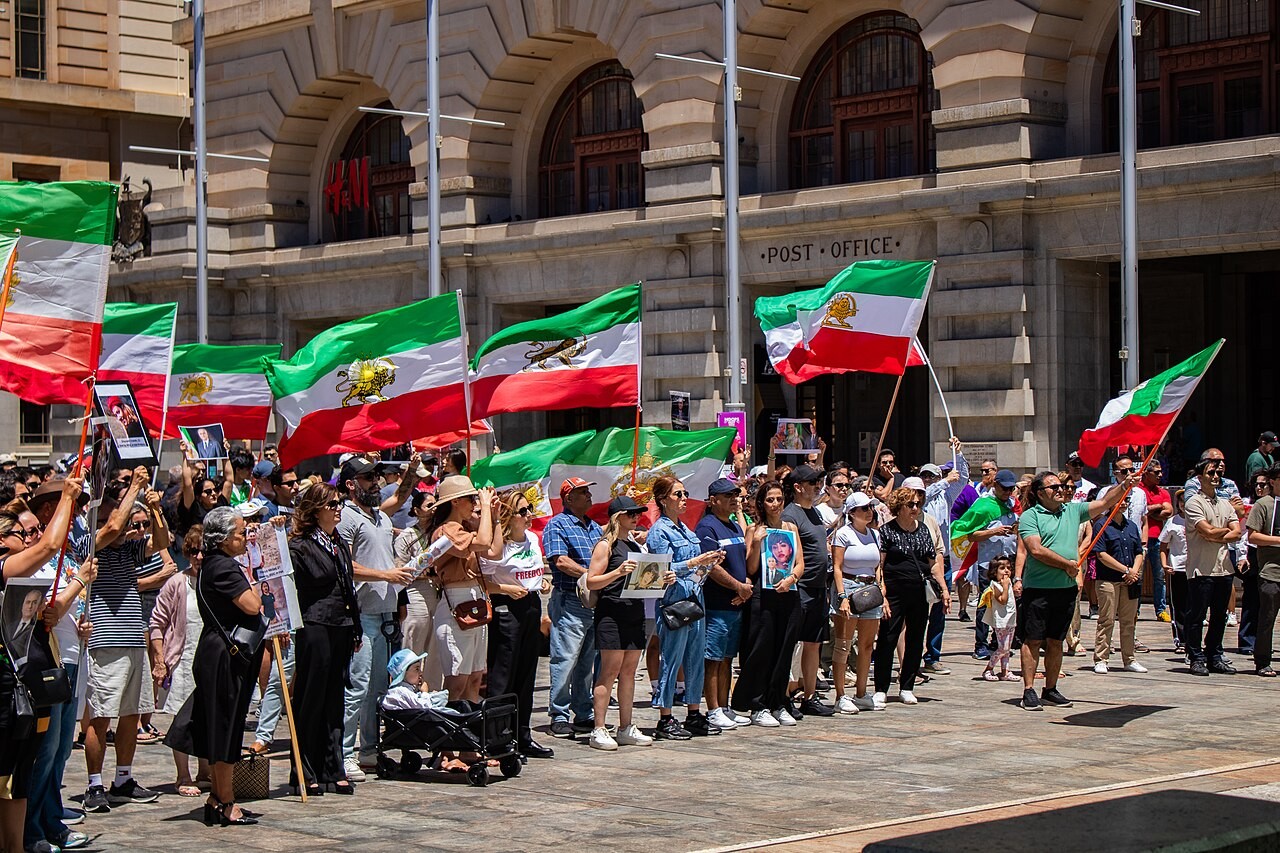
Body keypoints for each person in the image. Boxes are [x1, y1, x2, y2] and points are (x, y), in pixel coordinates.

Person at [164, 507, 265, 827]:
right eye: (240, 533)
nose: (245, 538)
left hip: (219, 653)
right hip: (224, 656)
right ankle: (226, 801)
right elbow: (252, 606)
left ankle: (218, 798)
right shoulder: (223, 566)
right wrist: (257, 586)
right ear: (223, 539)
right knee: (225, 728)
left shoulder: (214, 564)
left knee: (227, 727)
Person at [5, 479, 90, 853]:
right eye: (24, 533)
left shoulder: (53, 558)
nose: (32, 537)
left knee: (50, 753)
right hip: (27, 674)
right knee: (37, 754)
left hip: (53, 663)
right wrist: (80, 581)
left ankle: (40, 827)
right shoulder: (20, 565)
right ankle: (30, 831)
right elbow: (48, 610)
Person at [83, 468, 171, 813]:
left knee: (132, 714)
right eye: (114, 516)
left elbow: (161, 543)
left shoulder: (127, 550)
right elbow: (113, 527)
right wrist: (134, 487)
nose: (125, 527)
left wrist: (155, 510)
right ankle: (94, 784)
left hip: (134, 638)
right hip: (106, 641)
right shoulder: (89, 544)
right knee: (101, 716)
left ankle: (123, 778)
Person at [1015, 469, 1136, 710]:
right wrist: (1067, 565)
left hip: (1066, 589)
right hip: (1038, 589)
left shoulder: (1072, 510)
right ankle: (1028, 690)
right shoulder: (1030, 516)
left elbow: (1104, 503)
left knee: (1056, 641)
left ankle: (1050, 689)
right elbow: (1035, 550)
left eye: (1061, 486)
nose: (1061, 490)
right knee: (1033, 640)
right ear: (1040, 493)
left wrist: (1124, 486)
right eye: (1054, 487)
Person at [336, 457, 414, 782]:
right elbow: (344, 565)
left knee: (378, 687)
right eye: (368, 478)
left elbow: (402, 494)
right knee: (357, 686)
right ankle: (344, 754)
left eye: (376, 477)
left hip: (385, 613)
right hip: (362, 614)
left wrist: (413, 469)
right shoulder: (346, 518)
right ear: (351, 484)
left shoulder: (380, 516)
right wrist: (386, 575)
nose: (376, 482)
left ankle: (369, 749)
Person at [288, 483, 361, 796]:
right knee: (311, 697)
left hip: (341, 624)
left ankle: (333, 767)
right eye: (332, 504)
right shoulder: (300, 546)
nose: (338, 508)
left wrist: (355, 626)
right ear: (316, 510)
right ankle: (305, 768)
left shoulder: (338, 541)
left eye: (339, 502)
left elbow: (347, 585)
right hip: (315, 624)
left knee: (334, 698)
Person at [648, 477, 724, 739]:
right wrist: (695, 562)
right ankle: (665, 717)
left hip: (694, 598)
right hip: (673, 602)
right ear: (663, 500)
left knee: (694, 657)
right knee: (671, 658)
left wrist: (710, 561)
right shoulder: (659, 531)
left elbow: (694, 565)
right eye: (677, 494)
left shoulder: (686, 529)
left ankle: (693, 712)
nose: (683, 498)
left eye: (685, 493)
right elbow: (660, 568)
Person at [481, 489, 553, 759]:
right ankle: (497, 738)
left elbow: (534, 571)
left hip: (531, 604)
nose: (529, 515)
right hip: (506, 606)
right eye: (523, 511)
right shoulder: (500, 544)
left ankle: (522, 734)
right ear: (509, 516)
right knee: (503, 674)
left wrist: (542, 583)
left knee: (526, 672)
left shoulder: (532, 538)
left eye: (529, 509)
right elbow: (483, 580)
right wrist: (505, 589)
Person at [584, 496, 656, 750]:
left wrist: (661, 579)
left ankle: (626, 726)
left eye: (638, 513)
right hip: (612, 612)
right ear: (618, 517)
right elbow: (591, 580)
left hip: (634, 611)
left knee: (629, 672)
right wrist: (617, 572)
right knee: (609, 671)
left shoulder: (634, 545)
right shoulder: (606, 545)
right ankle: (599, 728)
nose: (636, 517)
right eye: (631, 514)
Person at [731, 480, 804, 726]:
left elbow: (800, 563)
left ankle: (778, 702)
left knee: (784, 650)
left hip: (788, 594)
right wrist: (757, 542)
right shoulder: (754, 529)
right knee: (761, 649)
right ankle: (757, 704)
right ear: (762, 503)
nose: (775, 504)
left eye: (779, 499)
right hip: (763, 595)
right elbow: (751, 568)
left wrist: (791, 578)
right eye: (770, 500)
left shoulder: (790, 528)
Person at [872, 486, 949, 708]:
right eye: (911, 504)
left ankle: (907, 686)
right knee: (888, 638)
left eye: (918, 504)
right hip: (894, 592)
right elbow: (879, 565)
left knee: (916, 639)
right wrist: (882, 593)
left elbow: (933, 564)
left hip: (919, 592)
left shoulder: (924, 530)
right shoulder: (886, 531)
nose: (916, 508)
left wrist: (944, 589)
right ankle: (881, 688)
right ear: (899, 507)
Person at [149, 527, 207, 799]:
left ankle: (205, 770)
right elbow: (157, 623)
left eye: (203, 551)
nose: (198, 557)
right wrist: (159, 659)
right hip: (183, 659)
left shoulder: (216, 581)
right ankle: (183, 774)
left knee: (207, 716)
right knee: (182, 718)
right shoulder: (176, 583)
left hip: (209, 660)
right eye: (193, 551)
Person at [542, 477, 602, 738]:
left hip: (593, 601)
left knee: (586, 661)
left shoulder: (595, 527)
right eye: (583, 492)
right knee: (565, 659)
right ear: (568, 498)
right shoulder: (557, 525)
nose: (589, 495)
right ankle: (559, 714)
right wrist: (590, 576)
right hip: (570, 599)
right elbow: (560, 561)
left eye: (588, 491)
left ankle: (583, 711)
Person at [428, 476, 496, 705]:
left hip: (475, 600)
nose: (474, 504)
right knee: (457, 681)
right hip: (456, 602)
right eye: (470, 499)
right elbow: (484, 543)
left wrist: (494, 517)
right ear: (455, 502)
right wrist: (485, 506)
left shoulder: (464, 529)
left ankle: (470, 722)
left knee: (475, 678)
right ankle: (451, 722)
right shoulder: (446, 531)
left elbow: (494, 551)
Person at [696, 478, 752, 731]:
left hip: (736, 604)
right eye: (728, 495)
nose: (734, 499)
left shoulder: (734, 526)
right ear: (713, 500)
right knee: (713, 659)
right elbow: (710, 566)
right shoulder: (707, 527)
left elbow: (742, 560)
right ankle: (713, 709)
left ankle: (725, 706)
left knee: (728, 658)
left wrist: (745, 584)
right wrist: (737, 586)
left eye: (735, 495)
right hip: (717, 605)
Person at [781, 464, 835, 717]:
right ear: (797, 487)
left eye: (818, 482)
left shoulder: (814, 513)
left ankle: (810, 696)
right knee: (790, 644)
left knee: (813, 643)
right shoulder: (790, 515)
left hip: (818, 587)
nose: (817, 487)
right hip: (798, 587)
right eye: (812, 483)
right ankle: (783, 696)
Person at [1183, 457, 1243, 676]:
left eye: (1218, 473)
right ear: (1200, 478)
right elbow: (1206, 530)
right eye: (1211, 473)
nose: (1216, 477)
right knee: (1197, 615)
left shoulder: (1225, 504)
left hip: (1224, 567)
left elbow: (1237, 532)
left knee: (1220, 615)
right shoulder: (1194, 503)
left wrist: (1216, 535)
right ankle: (1195, 656)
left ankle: (1214, 655)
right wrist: (1223, 532)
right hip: (1201, 569)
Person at [831, 490, 882, 712]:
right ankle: (840, 694)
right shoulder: (843, 534)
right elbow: (837, 567)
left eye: (870, 507)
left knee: (867, 645)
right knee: (844, 643)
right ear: (851, 512)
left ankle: (861, 692)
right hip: (849, 586)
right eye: (864, 508)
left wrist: (881, 588)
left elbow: (878, 566)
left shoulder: (875, 534)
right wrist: (842, 596)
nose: (869, 512)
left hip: (870, 589)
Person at [1090, 492, 1147, 674]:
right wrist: (1125, 570)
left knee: (1129, 621)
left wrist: (1134, 571)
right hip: (1108, 580)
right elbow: (1101, 554)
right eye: (1119, 500)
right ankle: (1101, 658)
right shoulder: (1101, 525)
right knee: (1106, 620)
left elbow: (1139, 551)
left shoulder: (1131, 526)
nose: (1123, 503)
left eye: (1126, 500)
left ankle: (1129, 659)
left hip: (1130, 581)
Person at [393, 490, 443, 691]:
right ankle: (406, 690)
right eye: (429, 505)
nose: (434, 509)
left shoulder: (440, 534)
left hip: (437, 594)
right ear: (416, 510)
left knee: (435, 648)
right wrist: (426, 572)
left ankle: (432, 691)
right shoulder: (407, 536)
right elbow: (400, 567)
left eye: (435, 504)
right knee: (413, 643)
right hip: (415, 593)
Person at [1247, 466, 1280, 676]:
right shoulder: (1264, 504)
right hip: (1271, 572)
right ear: (1273, 481)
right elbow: (1253, 536)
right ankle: (1262, 661)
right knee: (1267, 618)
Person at [1140, 460, 1173, 623]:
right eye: (1156, 472)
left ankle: (1160, 610)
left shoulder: (1162, 491)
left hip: (1159, 538)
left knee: (1160, 576)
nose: (1160, 475)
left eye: (1161, 472)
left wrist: (1150, 509)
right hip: (1142, 538)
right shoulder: (1139, 490)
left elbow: (1169, 511)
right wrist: (1157, 507)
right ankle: (1134, 610)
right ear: (1146, 473)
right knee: (1138, 576)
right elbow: (1140, 509)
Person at [1160, 490, 1190, 654]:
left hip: (1196, 568)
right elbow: (1163, 545)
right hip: (1177, 568)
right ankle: (1181, 640)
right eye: (1181, 501)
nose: (1184, 504)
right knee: (1179, 606)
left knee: (1195, 606)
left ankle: (1193, 640)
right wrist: (1165, 564)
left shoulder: (1199, 520)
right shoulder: (1173, 521)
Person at [980, 556, 1018, 681]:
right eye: (1002, 568)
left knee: (1007, 649)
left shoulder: (1008, 582)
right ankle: (988, 668)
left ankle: (1005, 671)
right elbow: (1002, 600)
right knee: (1003, 648)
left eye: (1008, 568)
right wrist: (1005, 587)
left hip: (1011, 619)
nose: (1006, 571)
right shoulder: (995, 585)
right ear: (994, 572)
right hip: (1001, 621)